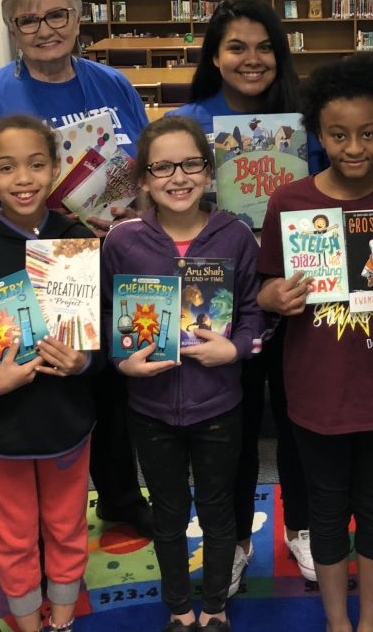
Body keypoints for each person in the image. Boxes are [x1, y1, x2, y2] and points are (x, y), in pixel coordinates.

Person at [0, 0, 152, 536]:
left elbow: (138, 166)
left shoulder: (110, 84)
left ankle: (117, 493)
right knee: (32, 382)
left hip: (101, 251)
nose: (45, 29)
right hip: (24, 258)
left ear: (77, 16)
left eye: (56, 14)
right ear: (12, 29)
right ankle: (28, 512)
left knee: (103, 378)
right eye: (27, 20)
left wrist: (125, 211)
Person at [258, 56, 373, 632]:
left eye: (368, 133)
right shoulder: (288, 202)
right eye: (338, 134)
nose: (354, 147)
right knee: (326, 511)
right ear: (318, 133)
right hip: (316, 391)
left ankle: (370, 622)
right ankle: (336, 622)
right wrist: (272, 296)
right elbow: (264, 286)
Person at [172, 0, 319, 591]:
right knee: (227, 425)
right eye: (236, 46)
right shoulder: (189, 121)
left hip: (296, 289)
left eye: (264, 47)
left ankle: (304, 527)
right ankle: (229, 541)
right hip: (217, 295)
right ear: (214, 55)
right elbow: (164, 196)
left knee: (298, 416)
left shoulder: (305, 119)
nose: (251, 59)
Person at [102, 114, 265, 632]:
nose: (179, 177)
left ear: (209, 170)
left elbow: (257, 313)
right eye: (163, 167)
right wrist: (119, 361)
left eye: (191, 163)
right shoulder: (122, 241)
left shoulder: (236, 235)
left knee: (219, 511)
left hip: (218, 403)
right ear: (144, 180)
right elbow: (105, 317)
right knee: (167, 514)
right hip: (149, 409)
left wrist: (236, 350)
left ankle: (215, 606)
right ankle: (178, 608)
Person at [0, 115, 96, 632]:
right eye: (7, 168)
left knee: (66, 524)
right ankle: (29, 622)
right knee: (12, 531)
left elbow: (98, 340)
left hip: (65, 422)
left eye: (36, 164)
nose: (23, 178)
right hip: (0, 430)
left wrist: (83, 362)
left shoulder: (76, 241)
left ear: (55, 168)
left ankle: (65, 617)